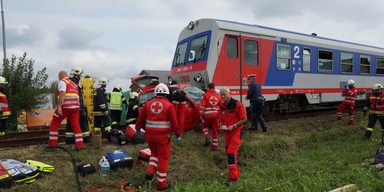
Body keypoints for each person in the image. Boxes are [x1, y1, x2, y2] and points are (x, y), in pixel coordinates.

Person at [135, 83, 182, 191]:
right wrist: (178, 135)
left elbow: (140, 119)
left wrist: (137, 129)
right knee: (163, 159)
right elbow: (174, 123)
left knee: (154, 153)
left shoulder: (147, 104)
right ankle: (162, 185)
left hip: (149, 136)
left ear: (155, 93)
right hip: (163, 137)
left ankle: (150, 170)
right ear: (166, 94)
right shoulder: (169, 105)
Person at [44, 71, 83, 151]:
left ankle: (52, 144)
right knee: (76, 125)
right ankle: (79, 146)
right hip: (75, 107)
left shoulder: (62, 82)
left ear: (60, 75)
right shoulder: (73, 84)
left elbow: (62, 93)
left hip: (66, 107)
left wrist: (59, 106)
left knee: (55, 122)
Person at [219, 87, 247, 185]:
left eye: (224, 94)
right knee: (229, 153)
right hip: (227, 133)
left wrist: (234, 125)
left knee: (231, 153)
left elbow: (244, 119)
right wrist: (221, 127)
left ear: (229, 93)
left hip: (236, 132)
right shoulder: (222, 106)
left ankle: (233, 178)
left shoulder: (237, 104)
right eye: (221, 95)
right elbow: (221, 120)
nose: (223, 96)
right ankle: (235, 172)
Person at [65, 66, 91, 144]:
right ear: (76, 74)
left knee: (70, 123)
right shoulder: (74, 83)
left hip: (71, 107)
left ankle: (69, 140)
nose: (80, 76)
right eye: (80, 74)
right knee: (83, 121)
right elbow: (77, 96)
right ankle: (86, 139)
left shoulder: (70, 82)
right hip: (76, 107)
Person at [199, 83, 221, 150]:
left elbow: (202, 106)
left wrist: (201, 115)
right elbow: (221, 106)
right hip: (215, 115)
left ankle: (207, 137)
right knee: (215, 130)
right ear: (214, 88)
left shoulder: (205, 95)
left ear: (208, 88)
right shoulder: (218, 96)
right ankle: (215, 147)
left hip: (207, 115)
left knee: (204, 126)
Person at [0, 76, 11, 140]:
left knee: (2, 127)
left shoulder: (2, 92)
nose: (3, 85)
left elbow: (5, 104)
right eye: (2, 84)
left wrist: (9, 113)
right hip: (1, 113)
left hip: (4, 114)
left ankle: (2, 137)